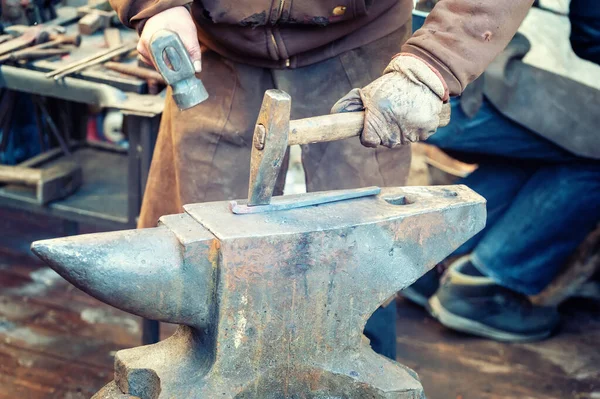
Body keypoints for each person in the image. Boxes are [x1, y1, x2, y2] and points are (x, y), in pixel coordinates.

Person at [108, 0, 536, 359]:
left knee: (364, 263)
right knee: (202, 262)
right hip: (213, 54)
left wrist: (437, 62)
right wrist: (155, 7)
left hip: (365, 55)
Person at [403, 0, 600, 342]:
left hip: (417, 60)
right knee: (591, 142)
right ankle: (485, 287)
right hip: (454, 73)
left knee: (556, 140)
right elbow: (592, 30)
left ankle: (425, 260)